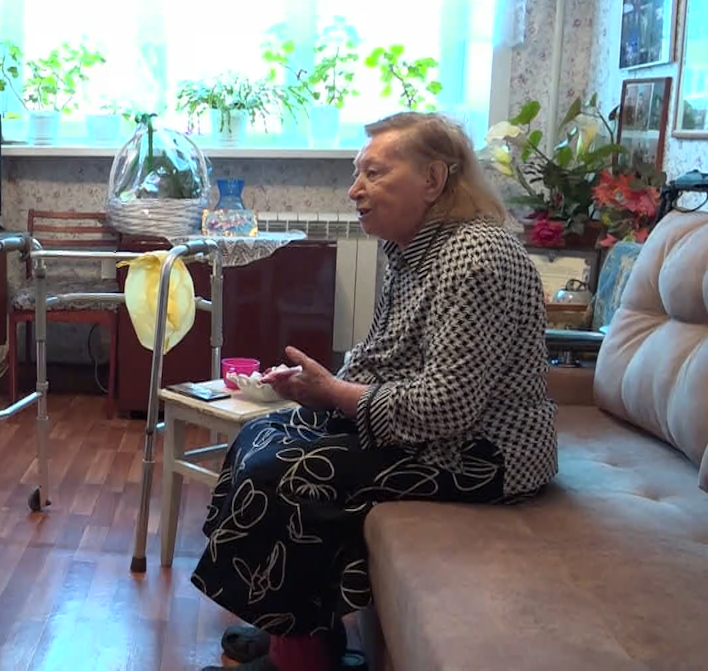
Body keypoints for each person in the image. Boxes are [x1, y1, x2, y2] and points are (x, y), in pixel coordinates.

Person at [192, 112, 558, 671]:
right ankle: (301, 629)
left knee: (284, 469)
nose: (354, 189)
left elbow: (449, 406)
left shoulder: (476, 258)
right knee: (261, 433)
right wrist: (315, 387)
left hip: (484, 454)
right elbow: (384, 356)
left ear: (433, 180)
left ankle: (300, 656)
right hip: (437, 433)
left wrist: (336, 393)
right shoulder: (412, 250)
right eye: (356, 172)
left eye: (373, 173)